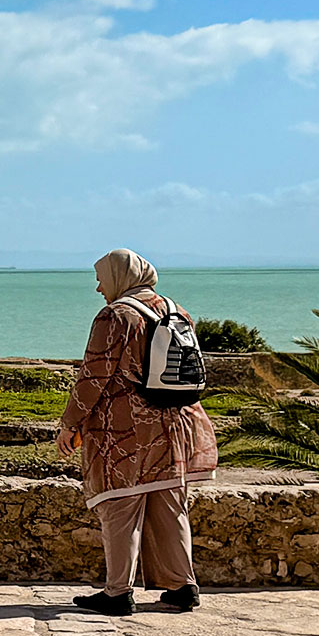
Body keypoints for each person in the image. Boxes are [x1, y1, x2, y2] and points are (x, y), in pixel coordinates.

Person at [58, 248, 220, 616]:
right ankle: (183, 586)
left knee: (119, 504)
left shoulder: (116, 316)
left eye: (102, 277)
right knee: (169, 505)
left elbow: (94, 376)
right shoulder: (176, 311)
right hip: (175, 423)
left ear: (120, 276)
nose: (99, 287)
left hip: (125, 429)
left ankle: (117, 593)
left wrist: (70, 423)